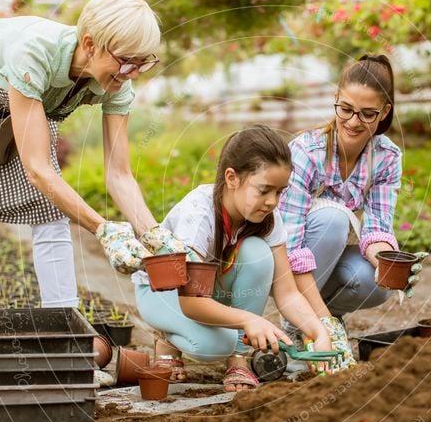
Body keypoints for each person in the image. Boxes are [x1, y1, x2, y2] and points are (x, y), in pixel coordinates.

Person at [0, 0, 171, 307]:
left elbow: (119, 175)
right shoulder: (35, 54)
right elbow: (38, 170)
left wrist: (153, 234)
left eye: (142, 64)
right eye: (126, 62)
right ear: (89, 44)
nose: (132, 74)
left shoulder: (117, 84)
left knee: (50, 213)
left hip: (4, 101)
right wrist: (103, 229)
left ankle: (63, 330)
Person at [133, 126, 352, 392]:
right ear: (232, 178)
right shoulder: (199, 216)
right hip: (164, 293)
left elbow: (287, 293)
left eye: (279, 192)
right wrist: (250, 321)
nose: (272, 202)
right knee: (213, 347)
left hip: (209, 291)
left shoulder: (269, 218)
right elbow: (191, 302)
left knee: (258, 254)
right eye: (264, 190)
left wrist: (318, 333)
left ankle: (239, 359)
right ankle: (167, 340)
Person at [278, 54, 426, 341]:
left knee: (375, 284)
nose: (353, 122)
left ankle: (321, 319)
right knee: (333, 219)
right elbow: (290, 244)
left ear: (384, 112)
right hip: (282, 262)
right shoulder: (307, 152)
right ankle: (300, 326)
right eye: (345, 109)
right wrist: (319, 322)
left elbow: (377, 228)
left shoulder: (386, 157)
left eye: (367, 114)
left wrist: (389, 263)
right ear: (335, 99)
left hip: (320, 262)